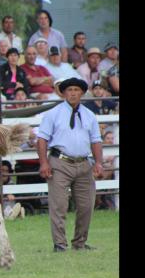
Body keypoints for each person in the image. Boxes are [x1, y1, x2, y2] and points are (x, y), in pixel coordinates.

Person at [37, 77, 103, 252]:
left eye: (76, 90)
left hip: (83, 163)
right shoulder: (53, 114)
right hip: (60, 162)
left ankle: (80, 242)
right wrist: (44, 163)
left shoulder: (89, 115)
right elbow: (42, 139)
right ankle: (60, 244)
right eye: (70, 90)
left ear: (81, 93)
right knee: (58, 205)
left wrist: (99, 163)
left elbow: (96, 140)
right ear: (64, 93)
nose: (73, 93)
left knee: (86, 206)